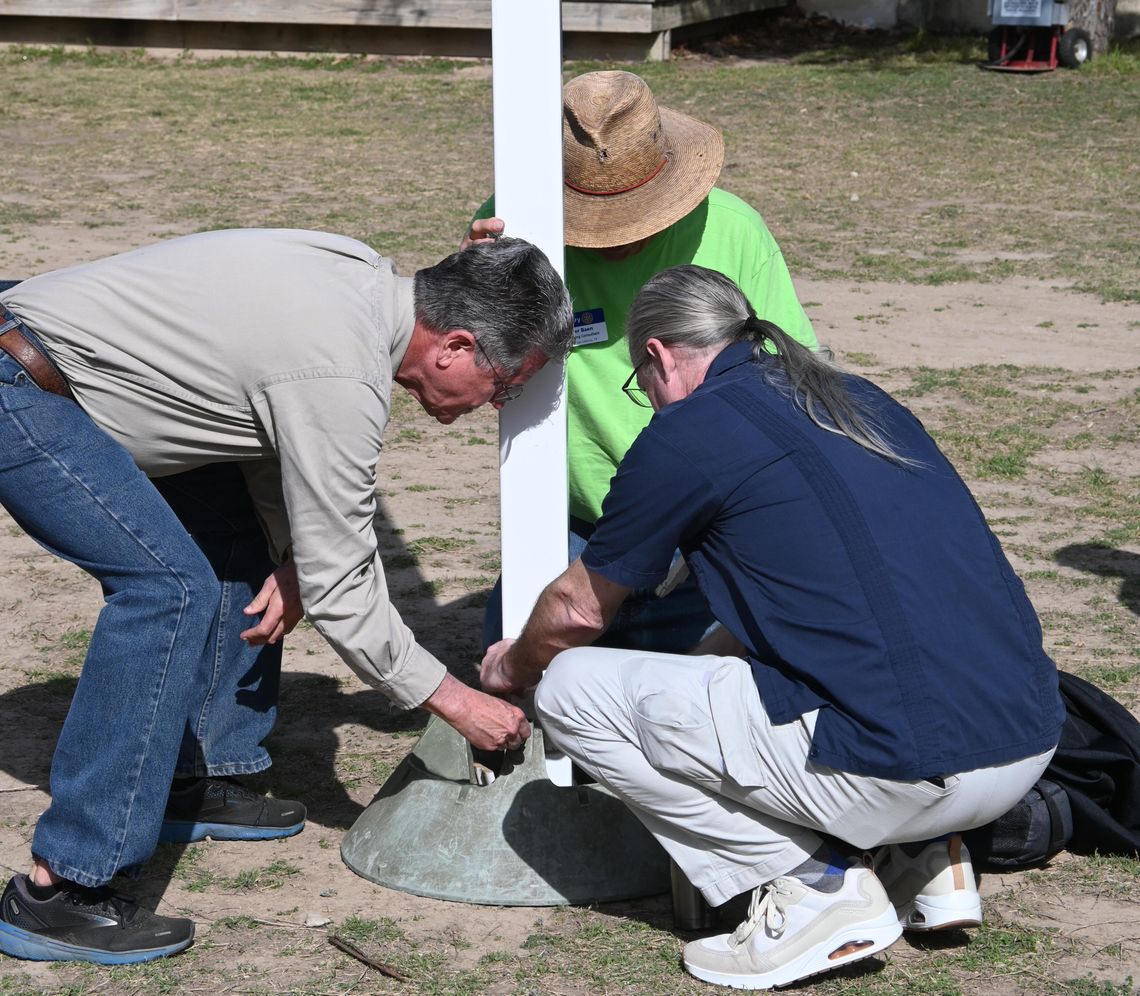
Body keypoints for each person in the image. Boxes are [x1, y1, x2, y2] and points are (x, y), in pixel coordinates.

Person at [480, 265, 1064, 991]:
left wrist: (512, 669)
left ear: (658, 357)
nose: (649, 400)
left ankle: (815, 888)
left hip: (909, 767)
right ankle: (923, 863)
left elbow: (578, 609)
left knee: (571, 689)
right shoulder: (856, 395)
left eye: (643, 382)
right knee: (842, 653)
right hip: (1026, 740)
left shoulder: (688, 432)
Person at [0, 229, 572, 965]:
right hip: (25, 382)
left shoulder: (365, 286)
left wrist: (298, 558)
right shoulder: (341, 371)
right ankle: (63, 889)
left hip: (63, 362)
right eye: (507, 383)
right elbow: (344, 589)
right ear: (455, 345)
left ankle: (197, 778)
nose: (500, 403)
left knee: (236, 539)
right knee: (167, 589)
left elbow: (261, 425)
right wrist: (459, 703)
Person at [466, 70, 819, 653]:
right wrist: (474, 293)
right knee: (518, 685)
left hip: (707, 520)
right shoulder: (514, 226)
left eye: (633, 212)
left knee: (696, 704)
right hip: (576, 519)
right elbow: (474, 375)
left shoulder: (732, 230)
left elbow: (788, 378)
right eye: (596, 213)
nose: (617, 237)